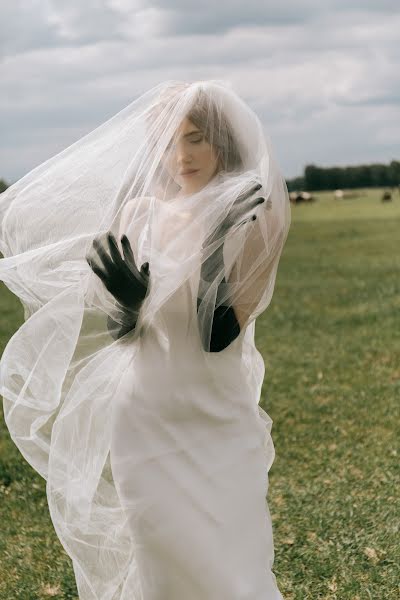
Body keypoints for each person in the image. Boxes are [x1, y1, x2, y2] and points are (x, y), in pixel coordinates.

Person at [0, 80, 291, 599]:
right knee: (163, 561)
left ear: (222, 139)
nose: (182, 155)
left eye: (196, 138)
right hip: (143, 414)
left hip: (215, 415)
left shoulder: (256, 214)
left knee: (231, 562)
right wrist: (129, 303)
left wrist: (215, 240)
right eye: (168, 141)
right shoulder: (139, 213)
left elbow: (216, 335)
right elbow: (124, 333)